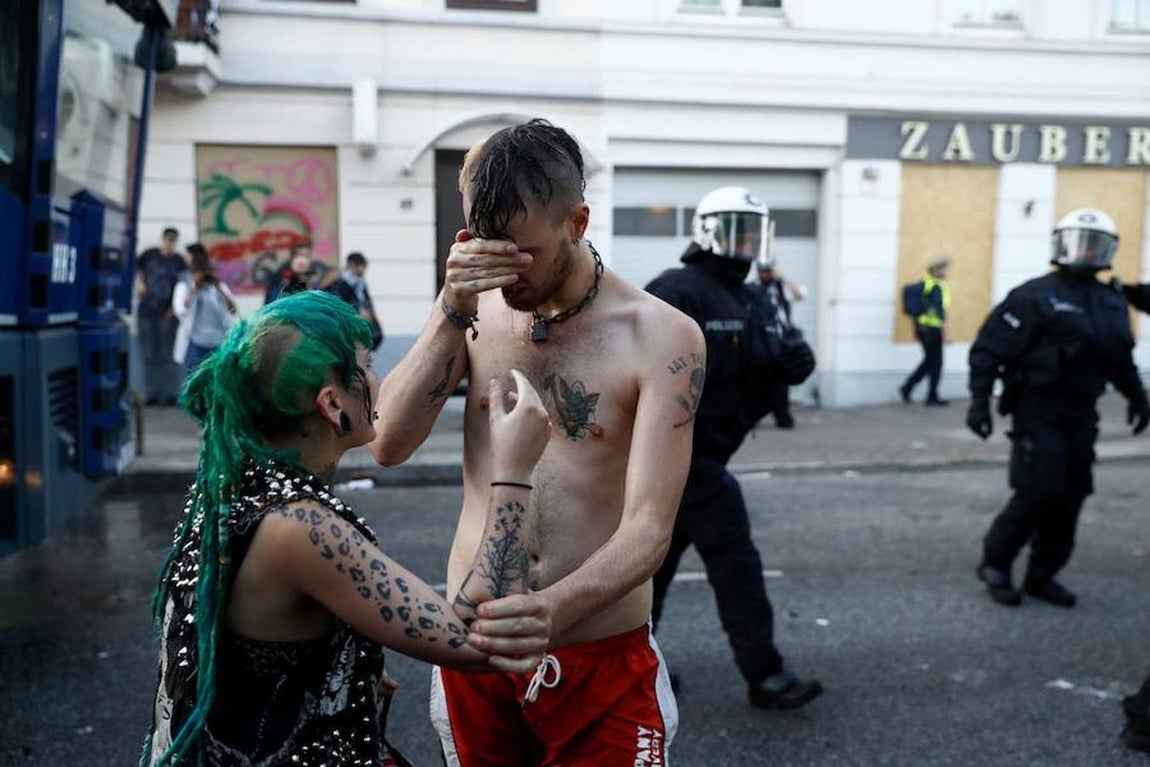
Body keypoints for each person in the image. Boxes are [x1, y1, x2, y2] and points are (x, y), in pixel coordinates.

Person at [369, 119, 702, 765]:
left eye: (521, 252)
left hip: (601, 660)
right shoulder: (472, 312)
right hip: (476, 648)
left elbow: (650, 528)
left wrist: (553, 607)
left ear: (577, 223)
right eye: (481, 243)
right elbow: (387, 443)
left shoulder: (662, 336)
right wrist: (450, 306)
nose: (502, 272)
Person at [141, 290, 553, 767]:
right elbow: (483, 642)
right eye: (369, 364)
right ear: (333, 403)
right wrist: (514, 472)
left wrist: (342, 661)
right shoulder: (300, 529)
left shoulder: (232, 484)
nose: (379, 380)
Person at [645, 185, 822, 711]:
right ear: (707, 232)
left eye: (753, 231)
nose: (745, 241)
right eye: (734, 229)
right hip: (676, 457)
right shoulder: (677, 288)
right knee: (736, 563)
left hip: (712, 455)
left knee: (650, 571)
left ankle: (629, 663)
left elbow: (764, 364)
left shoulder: (754, 297)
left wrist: (793, 365)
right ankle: (765, 675)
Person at [966, 208, 1149, 607]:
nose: (1084, 251)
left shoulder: (1111, 301)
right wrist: (979, 402)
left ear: (1108, 249)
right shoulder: (1034, 295)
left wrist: (1138, 397)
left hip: (1081, 413)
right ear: (1060, 243)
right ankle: (996, 563)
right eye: (1077, 241)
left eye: (1093, 243)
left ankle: (1042, 573)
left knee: (1072, 494)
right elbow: (988, 351)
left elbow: (1120, 359)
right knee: (1037, 491)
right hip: (1038, 409)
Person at [750, 257, 807, 429]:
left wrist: (782, 277)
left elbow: (800, 294)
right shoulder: (752, 288)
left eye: (769, 271)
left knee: (781, 381)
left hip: (782, 339)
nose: (765, 274)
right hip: (761, 339)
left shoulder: (781, 288)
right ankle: (753, 416)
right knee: (757, 379)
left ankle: (783, 417)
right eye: (763, 271)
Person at [137, 226, 187, 405]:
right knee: (149, 354)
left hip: (168, 313)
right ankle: (151, 393)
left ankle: (169, 394)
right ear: (163, 239)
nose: (170, 243)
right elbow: (138, 270)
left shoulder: (179, 261)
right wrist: (140, 283)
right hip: (147, 311)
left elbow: (183, 284)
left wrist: (174, 309)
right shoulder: (149, 255)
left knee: (167, 355)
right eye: (168, 239)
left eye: (173, 240)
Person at [172, 245, 238, 377]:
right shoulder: (184, 286)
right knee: (194, 381)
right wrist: (195, 289)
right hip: (196, 343)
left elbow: (233, 310)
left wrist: (218, 287)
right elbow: (180, 310)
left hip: (217, 342)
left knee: (217, 381)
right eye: (197, 272)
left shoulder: (218, 287)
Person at [899, 255, 951, 406]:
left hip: (923, 328)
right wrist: (945, 332)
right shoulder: (935, 286)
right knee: (936, 362)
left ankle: (907, 388)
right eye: (944, 268)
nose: (946, 271)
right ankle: (931, 396)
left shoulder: (927, 283)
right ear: (936, 269)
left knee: (929, 361)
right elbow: (939, 312)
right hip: (931, 330)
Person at [327, 251, 384, 350]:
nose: (361, 270)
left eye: (363, 266)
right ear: (351, 265)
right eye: (359, 266)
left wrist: (371, 315)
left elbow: (367, 302)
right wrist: (357, 312)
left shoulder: (361, 284)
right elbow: (338, 306)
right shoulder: (339, 284)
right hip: (349, 328)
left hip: (363, 326)